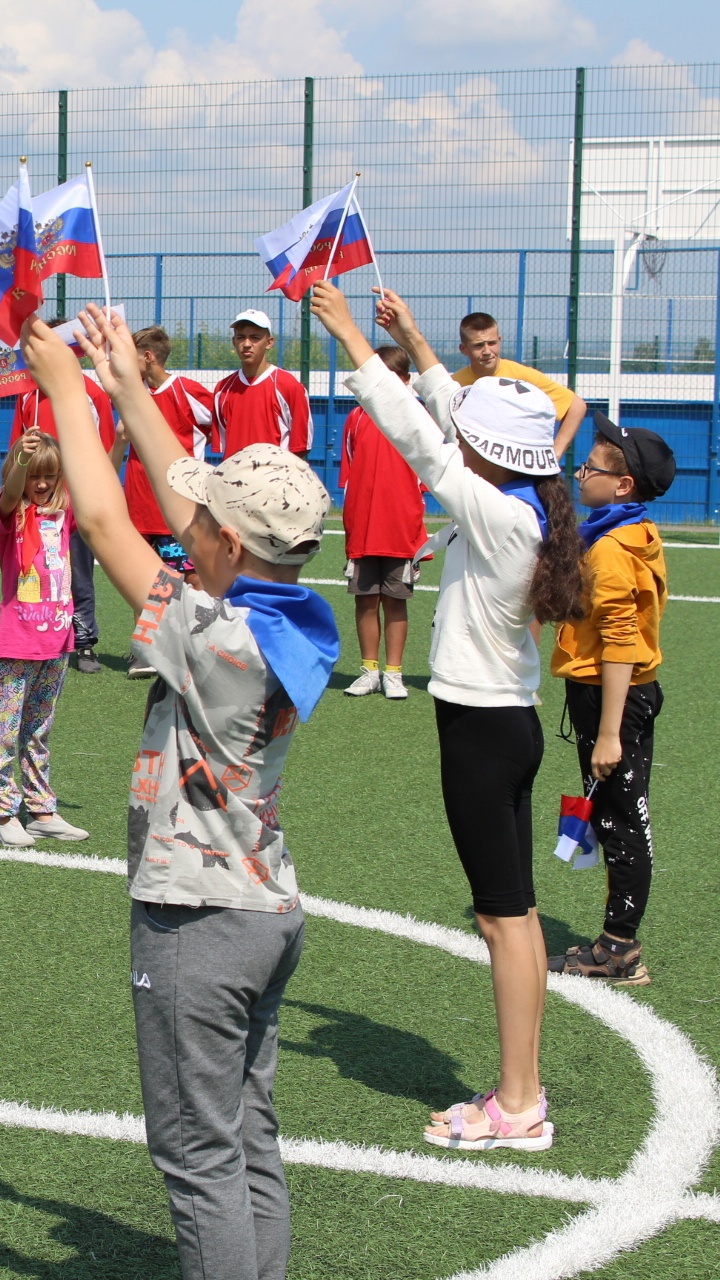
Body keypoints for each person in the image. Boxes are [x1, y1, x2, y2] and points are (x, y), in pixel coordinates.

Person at [25, 305, 335, 1280]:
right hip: (265, 904)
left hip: (197, 917)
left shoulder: (214, 635)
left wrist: (65, 386)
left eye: (201, 524)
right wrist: (125, 381)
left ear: (231, 549)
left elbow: (108, 518)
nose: (185, 523)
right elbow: (178, 496)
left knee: (197, 1156)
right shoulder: (284, 612)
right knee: (247, 1138)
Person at [313, 280, 584, 1153]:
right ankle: (523, 1089)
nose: (463, 431)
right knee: (519, 914)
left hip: (481, 732)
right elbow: (456, 420)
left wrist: (355, 338)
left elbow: (427, 444)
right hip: (508, 727)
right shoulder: (528, 502)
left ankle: (515, 1105)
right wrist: (419, 341)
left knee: (500, 917)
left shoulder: (498, 513)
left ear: (493, 454)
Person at [548, 413, 675, 987]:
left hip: (613, 698)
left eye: (591, 467)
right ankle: (616, 940)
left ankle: (619, 948)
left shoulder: (613, 549)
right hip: (608, 695)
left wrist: (609, 733)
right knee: (615, 813)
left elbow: (622, 640)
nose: (582, 472)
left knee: (625, 820)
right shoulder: (629, 529)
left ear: (623, 485)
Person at [0, 422, 91, 848]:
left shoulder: (63, 517)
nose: (41, 484)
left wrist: (117, 442)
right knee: (4, 731)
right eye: (34, 475)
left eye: (49, 475)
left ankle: (41, 810)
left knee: (39, 730)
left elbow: (96, 495)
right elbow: (10, 494)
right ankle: (4, 813)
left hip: (56, 642)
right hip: (16, 642)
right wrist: (22, 460)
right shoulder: (7, 515)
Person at [15, 352, 118, 674]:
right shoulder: (28, 395)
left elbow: (107, 450)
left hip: (77, 506)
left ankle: (84, 642)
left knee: (80, 578)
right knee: (36, 577)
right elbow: (17, 451)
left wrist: (95, 499)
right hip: (37, 507)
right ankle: (40, 639)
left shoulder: (93, 394)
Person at [123, 327, 215, 678]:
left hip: (179, 506)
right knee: (143, 580)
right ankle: (147, 650)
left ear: (147, 356)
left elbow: (221, 424)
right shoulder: (132, 395)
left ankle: (198, 647)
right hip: (139, 504)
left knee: (191, 579)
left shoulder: (188, 392)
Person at [339, 345, 427, 700]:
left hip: (400, 532)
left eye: (392, 379)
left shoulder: (418, 418)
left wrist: (415, 530)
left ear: (405, 381)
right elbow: (347, 478)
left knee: (395, 601)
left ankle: (394, 672)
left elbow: (427, 477)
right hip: (362, 530)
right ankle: (369, 670)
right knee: (364, 601)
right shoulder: (356, 418)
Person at [452, 311, 587, 459]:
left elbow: (576, 406)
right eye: (478, 345)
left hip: (516, 469)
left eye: (492, 343)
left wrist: (555, 453)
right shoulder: (454, 385)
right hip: (473, 469)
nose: (487, 351)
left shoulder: (522, 376)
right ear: (463, 349)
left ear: (499, 340)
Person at [212, 309, 311, 459]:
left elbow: (300, 446)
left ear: (269, 342)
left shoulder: (288, 386)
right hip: (233, 479)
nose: (246, 344)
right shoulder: (222, 389)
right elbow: (225, 443)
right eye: (241, 337)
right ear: (234, 342)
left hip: (275, 479)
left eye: (254, 338)